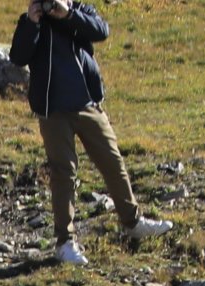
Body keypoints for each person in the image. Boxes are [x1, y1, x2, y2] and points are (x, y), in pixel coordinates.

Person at [9, 0, 173, 266]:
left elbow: (101, 31)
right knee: (64, 172)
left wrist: (69, 15)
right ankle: (65, 242)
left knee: (112, 161)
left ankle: (132, 223)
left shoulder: (81, 11)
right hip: (53, 112)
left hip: (87, 105)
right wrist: (31, 23)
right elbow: (18, 57)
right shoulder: (32, 20)